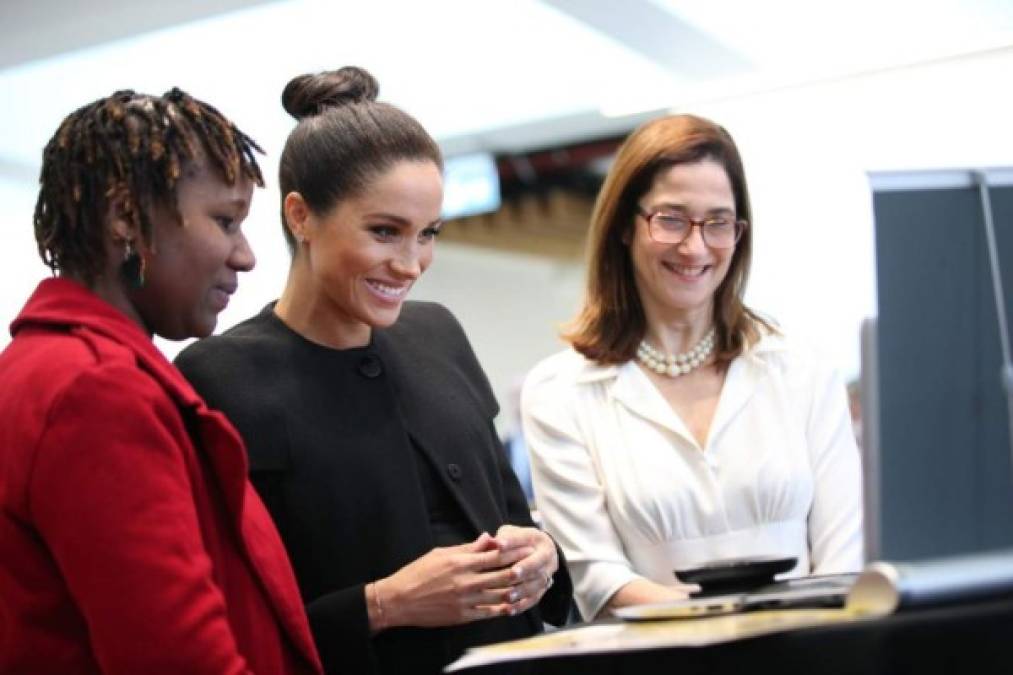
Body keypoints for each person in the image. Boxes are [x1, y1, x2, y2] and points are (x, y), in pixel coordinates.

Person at [174, 66, 572, 675]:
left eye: (428, 234)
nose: (411, 264)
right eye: (385, 232)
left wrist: (543, 553)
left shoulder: (437, 332)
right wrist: (383, 605)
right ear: (301, 216)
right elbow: (227, 617)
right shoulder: (219, 376)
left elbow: (512, 514)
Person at [0, 89, 322, 674]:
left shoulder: (46, 367)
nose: (245, 256)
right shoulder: (94, 391)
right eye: (225, 221)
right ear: (126, 216)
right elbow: (177, 658)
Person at [521, 113, 863, 621]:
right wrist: (741, 619)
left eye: (717, 221)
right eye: (671, 219)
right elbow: (601, 583)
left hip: (808, 652)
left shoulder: (801, 372)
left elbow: (845, 558)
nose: (695, 246)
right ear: (623, 225)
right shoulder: (559, 392)